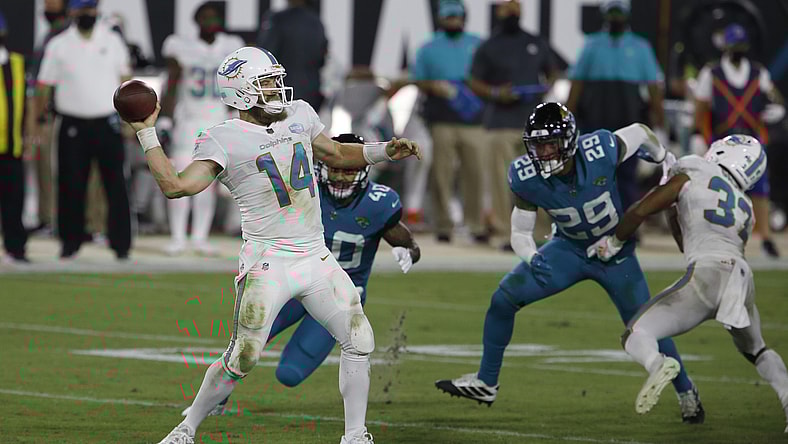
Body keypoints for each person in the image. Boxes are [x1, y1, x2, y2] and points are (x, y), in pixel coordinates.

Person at [126, 47, 420, 444]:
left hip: (315, 254)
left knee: (359, 338)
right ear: (242, 91)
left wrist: (383, 150)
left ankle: (355, 435)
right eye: (266, 82)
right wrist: (146, 132)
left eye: (275, 79)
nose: (276, 88)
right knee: (242, 357)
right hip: (269, 260)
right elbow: (176, 186)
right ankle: (187, 427)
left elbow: (334, 152)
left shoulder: (299, 113)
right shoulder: (222, 138)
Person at [436, 102, 705, 424]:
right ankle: (486, 382)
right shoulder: (525, 175)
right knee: (503, 299)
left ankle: (686, 392)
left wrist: (664, 159)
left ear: (569, 141)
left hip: (615, 254)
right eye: (537, 145)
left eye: (549, 144)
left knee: (650, 326)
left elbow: (640, 132)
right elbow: (520, 231)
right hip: (568, 249)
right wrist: (531, 255)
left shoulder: (600, 148)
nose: (543, 152)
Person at [181, 132, 421, 416]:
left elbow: (407, 241)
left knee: (290, 374)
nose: (342, 177)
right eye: (336, 169)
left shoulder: (380, 203)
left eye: (350, 170)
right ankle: (216, 399)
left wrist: (409, 251)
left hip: (339, 293)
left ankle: (355, 430)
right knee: (245, 343)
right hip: (293, 278)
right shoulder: (302, 189)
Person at [588, 134, 788, 431]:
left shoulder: (694, 168)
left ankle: (658, 365)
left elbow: (642, 209)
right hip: (740, 278)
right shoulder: (745, 206)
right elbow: (687, 236)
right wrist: (673, 203)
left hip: (706, 274)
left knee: (636, 334)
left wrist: (614, 242)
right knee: (756, 349)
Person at [35, 0, 132, 260]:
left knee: (115, 185)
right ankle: (70, 243)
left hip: (107, 122)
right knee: (71, 185)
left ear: (96, 11)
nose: (87, 14)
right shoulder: (59, 44)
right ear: (72, 12)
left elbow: (125, 80)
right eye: (82, 9)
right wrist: (39, 122)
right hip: (72, 123)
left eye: (91, 9)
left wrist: (129, 119)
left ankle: (121, 244)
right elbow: (44, 86)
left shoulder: (112, 40)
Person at [469, 0, 559, 249]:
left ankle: (541, 234)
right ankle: (503, 232)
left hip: (534, 123)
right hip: (501, 122)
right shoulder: (489, 46)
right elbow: (474, 81)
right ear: (498, 12)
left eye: (515, 7)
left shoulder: (535, 41)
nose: (512, 12)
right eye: (507, 8)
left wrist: (545, 86)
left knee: (540, 177)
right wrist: (497, 93)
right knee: (502, 181)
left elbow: (553, 70)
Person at [159, 1, 244, 256]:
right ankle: (177, 236)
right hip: (188, 120)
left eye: (213, 17)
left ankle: (199, 237)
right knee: (181, 176)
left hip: (217, 120)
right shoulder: (180, 46)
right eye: (204, 18)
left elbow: (238, 86)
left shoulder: (232, 46)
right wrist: (165, 117)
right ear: (196, 21)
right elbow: (172, 83)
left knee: (208, 182)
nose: (209, 23)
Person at [566, 0, 666, 217]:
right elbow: (577, 82)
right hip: (595, 117)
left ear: (627, 16)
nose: (615, 19)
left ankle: (628, 222)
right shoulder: (592, 44)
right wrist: (568, 115)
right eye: (611, 14)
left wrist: (660, 120)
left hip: (627, 118)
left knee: (627, 174)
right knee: (594, 171)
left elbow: (653, 86)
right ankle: (595, 221)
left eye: (619, 14)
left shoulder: (640, 47)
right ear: (604, 16)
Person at [694, 23, 783, 258]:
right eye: (736, 45)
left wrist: (775, 110)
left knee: (761, 189)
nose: (739, 49)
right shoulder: (711, 73)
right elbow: (701, 108)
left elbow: (774, 99)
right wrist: (700, 136)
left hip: (752, 141)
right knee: (715, 189)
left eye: (742, 45)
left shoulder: (758, 73)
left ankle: (765, 238)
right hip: (722, 140)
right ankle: (713, 237)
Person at [410, 0, 487, 244]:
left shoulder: (478, 45)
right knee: (441, 174)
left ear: (464, 17)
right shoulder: (429, 48)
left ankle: (475, 225)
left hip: (474, 120)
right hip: (441, 119)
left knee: (474, 173)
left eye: (456, 16)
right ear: (441, 19)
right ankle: (443, 225)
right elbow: (418, 79)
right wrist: (433, 85)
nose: (452, 20)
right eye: (448, 17)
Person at [26, 0, 69, 236]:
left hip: (62, 109)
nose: (46, 6)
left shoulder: (66, 35)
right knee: (44, 166)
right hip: (48, 111)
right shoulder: (50, 34)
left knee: (63, 168)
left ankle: (65, 221)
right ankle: (48, 218)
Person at [257, 0, 327, 111]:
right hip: (311, 94)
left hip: (281, 93)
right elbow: (322, 58)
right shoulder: (316, 22)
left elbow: (265, 56)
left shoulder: (277, 19)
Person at [0, 11, 30, 263]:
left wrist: (30, 136)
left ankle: (16, 248)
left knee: (14, 201)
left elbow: (27, 103)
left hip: (12, 146)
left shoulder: (17, 62)